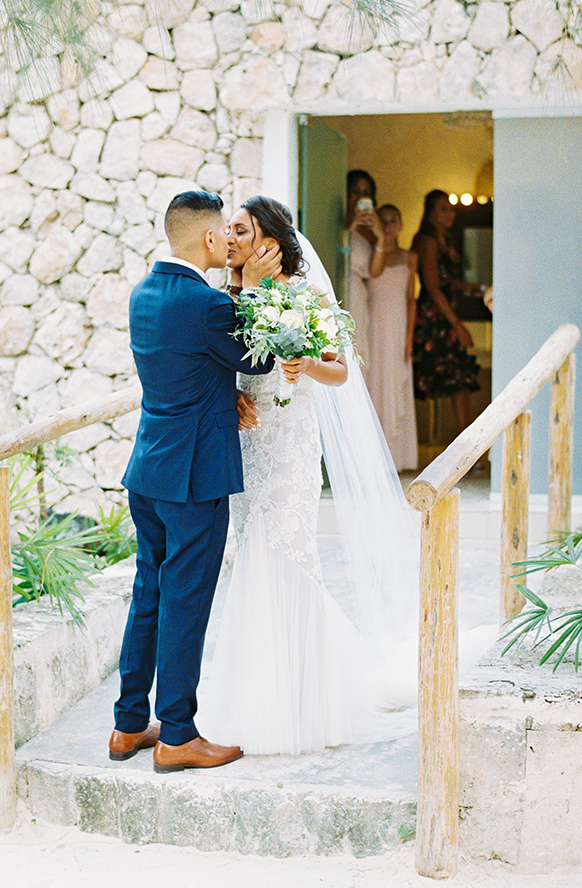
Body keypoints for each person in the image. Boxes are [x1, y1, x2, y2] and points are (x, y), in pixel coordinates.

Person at [198, 196, 419, 755]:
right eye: (229, 231)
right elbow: (217, 363)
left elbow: (341, 373)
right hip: (248, 446)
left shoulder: (304, 296)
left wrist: (304, 366)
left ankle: (301, 701)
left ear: (269, 242)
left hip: (291, 444)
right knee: (250, 555)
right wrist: (231, 397)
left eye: (241, 232)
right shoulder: (226, 295)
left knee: (289, 555)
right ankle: (254, 693)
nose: (230, 240)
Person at [109, 190, 277, 771]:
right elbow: (257, 360)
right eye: (223, 234)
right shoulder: (206, 303)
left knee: (148, 595)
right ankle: (178, 734)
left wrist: (217, 392)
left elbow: (184, 366)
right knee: (187, 602)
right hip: (193, 478)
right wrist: (251, 290)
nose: (229, 242)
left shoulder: (144, 294)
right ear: (208, 240)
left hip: (148, 470)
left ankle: (129, 725)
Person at [411, 190, 481, 436]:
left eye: (451, 208)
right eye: (443, 209)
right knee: (455, 378)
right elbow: (431, 284)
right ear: (430, 213)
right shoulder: (428, 241)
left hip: (444, 311)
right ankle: (464, 444)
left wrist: (466, 287)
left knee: (459, 378)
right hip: (435, 316)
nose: (450, 213)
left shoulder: (443, 240)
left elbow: (445, 278)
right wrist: (456, 324)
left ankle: (465, 441)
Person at [365, 204, 418, 472]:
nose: (388, 226)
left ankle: (398, 456)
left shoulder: (411, 257)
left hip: (397, 327)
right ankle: (373, 457)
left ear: (401, 224)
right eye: (382, 221)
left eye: (392, 220)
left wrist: (409, 337)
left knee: (395, 381)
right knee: (374, 381)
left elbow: (412, 300)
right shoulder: (371, 253)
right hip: (373, 324)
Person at [345, 170, 385, 375]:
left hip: (360, 295)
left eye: (366, 193)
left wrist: (380, 237)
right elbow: (335, 255)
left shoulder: (369, 232)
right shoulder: (339, 225)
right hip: (340, 289)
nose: (360, 197)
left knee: (359, 347)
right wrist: (349, 228)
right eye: (355, 191)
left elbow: (374, 272)